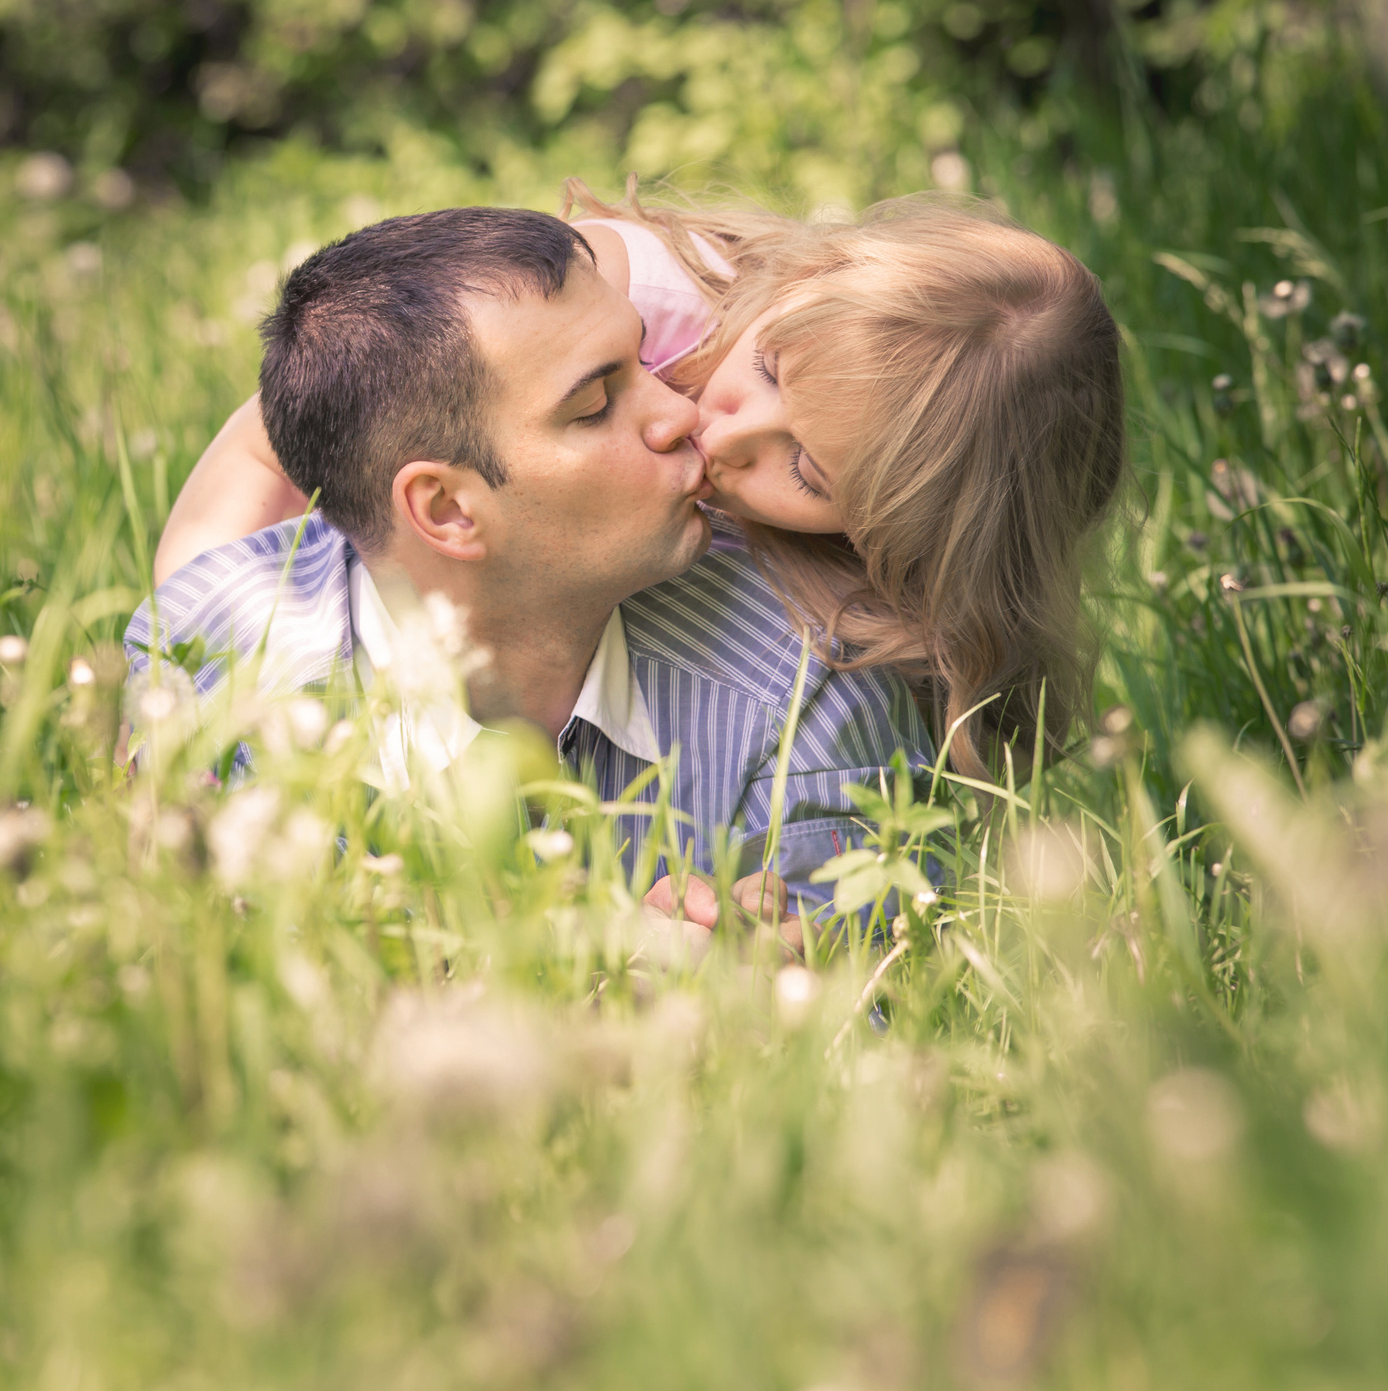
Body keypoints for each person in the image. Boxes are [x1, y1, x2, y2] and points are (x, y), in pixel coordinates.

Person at [128, 207, 932, 938]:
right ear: (445, 509)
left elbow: (869, 1005)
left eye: (644, 359)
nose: (682, 414)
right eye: (594, 405)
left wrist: (734, 1000)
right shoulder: (213, 686)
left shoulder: (809, 682)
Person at [159, 181, 1127, 779]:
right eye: (774, 373)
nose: (722, 430)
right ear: (801, 279)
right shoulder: (633, 294)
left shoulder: (873, 597)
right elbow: (302, 423)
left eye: (806, 468)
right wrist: (181, 655)